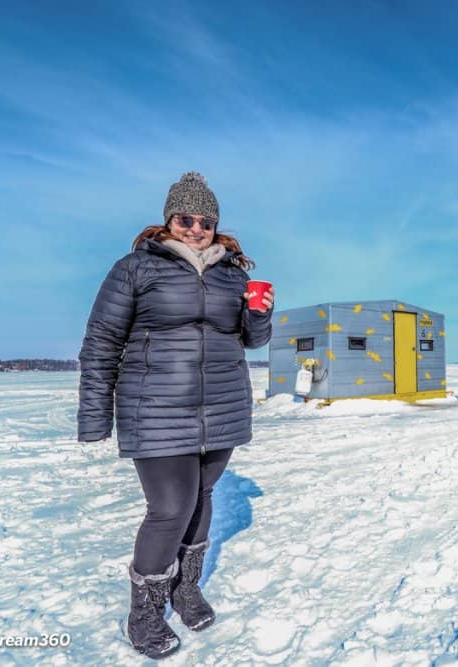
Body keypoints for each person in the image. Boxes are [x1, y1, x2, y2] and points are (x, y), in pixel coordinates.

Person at [76, 172, 274, 659]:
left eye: (206, 220)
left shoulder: (233, 274)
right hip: (156, 405)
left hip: (222, 405)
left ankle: (184, 589)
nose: (196, 227)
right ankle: (144, 612)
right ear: (169, 220)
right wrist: (94, 415)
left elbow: (251, 341)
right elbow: (102, 342)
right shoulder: (135, 269)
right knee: (169, 509)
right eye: (186, 218)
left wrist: (261, 314)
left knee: (202, 497)